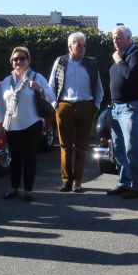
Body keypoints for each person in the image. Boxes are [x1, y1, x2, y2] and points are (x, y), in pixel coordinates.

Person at [0, 47, 56, 202]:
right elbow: (1, 104)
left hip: (32, 124)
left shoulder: (36, 77)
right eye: (15, 59)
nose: (19, 61)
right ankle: (14, 188)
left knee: (29, 159)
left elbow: (52, 96)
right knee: (14, 159)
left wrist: (39, 89)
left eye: (22, 58)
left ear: (28, 61)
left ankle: (28, 191)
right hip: (12, 125)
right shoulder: (7, 82)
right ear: (11, 62)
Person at [48, 31, 103, 193]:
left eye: (84, 45)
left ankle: (77, 181)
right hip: (65, 106)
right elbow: (51, 86)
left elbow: (99, 87)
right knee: (65, 146)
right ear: (69, 46)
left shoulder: (91, 63)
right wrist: (55, 105)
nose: (82, 48)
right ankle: (66, 181)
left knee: (82, 146)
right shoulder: (60, 62)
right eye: (78, 45)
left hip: (86, 107)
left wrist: (95, 106)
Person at [106, 25, 138, 199]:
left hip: (130, 107)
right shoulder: (121, 55)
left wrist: (119, 61)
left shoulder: (136, 54)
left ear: (129, 38)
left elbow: (131, 76)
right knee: (119, 148)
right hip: (115, 107)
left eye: (119, 37)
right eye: (113, 37)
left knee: (131, 147)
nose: (115, 40)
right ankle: (124, 183)